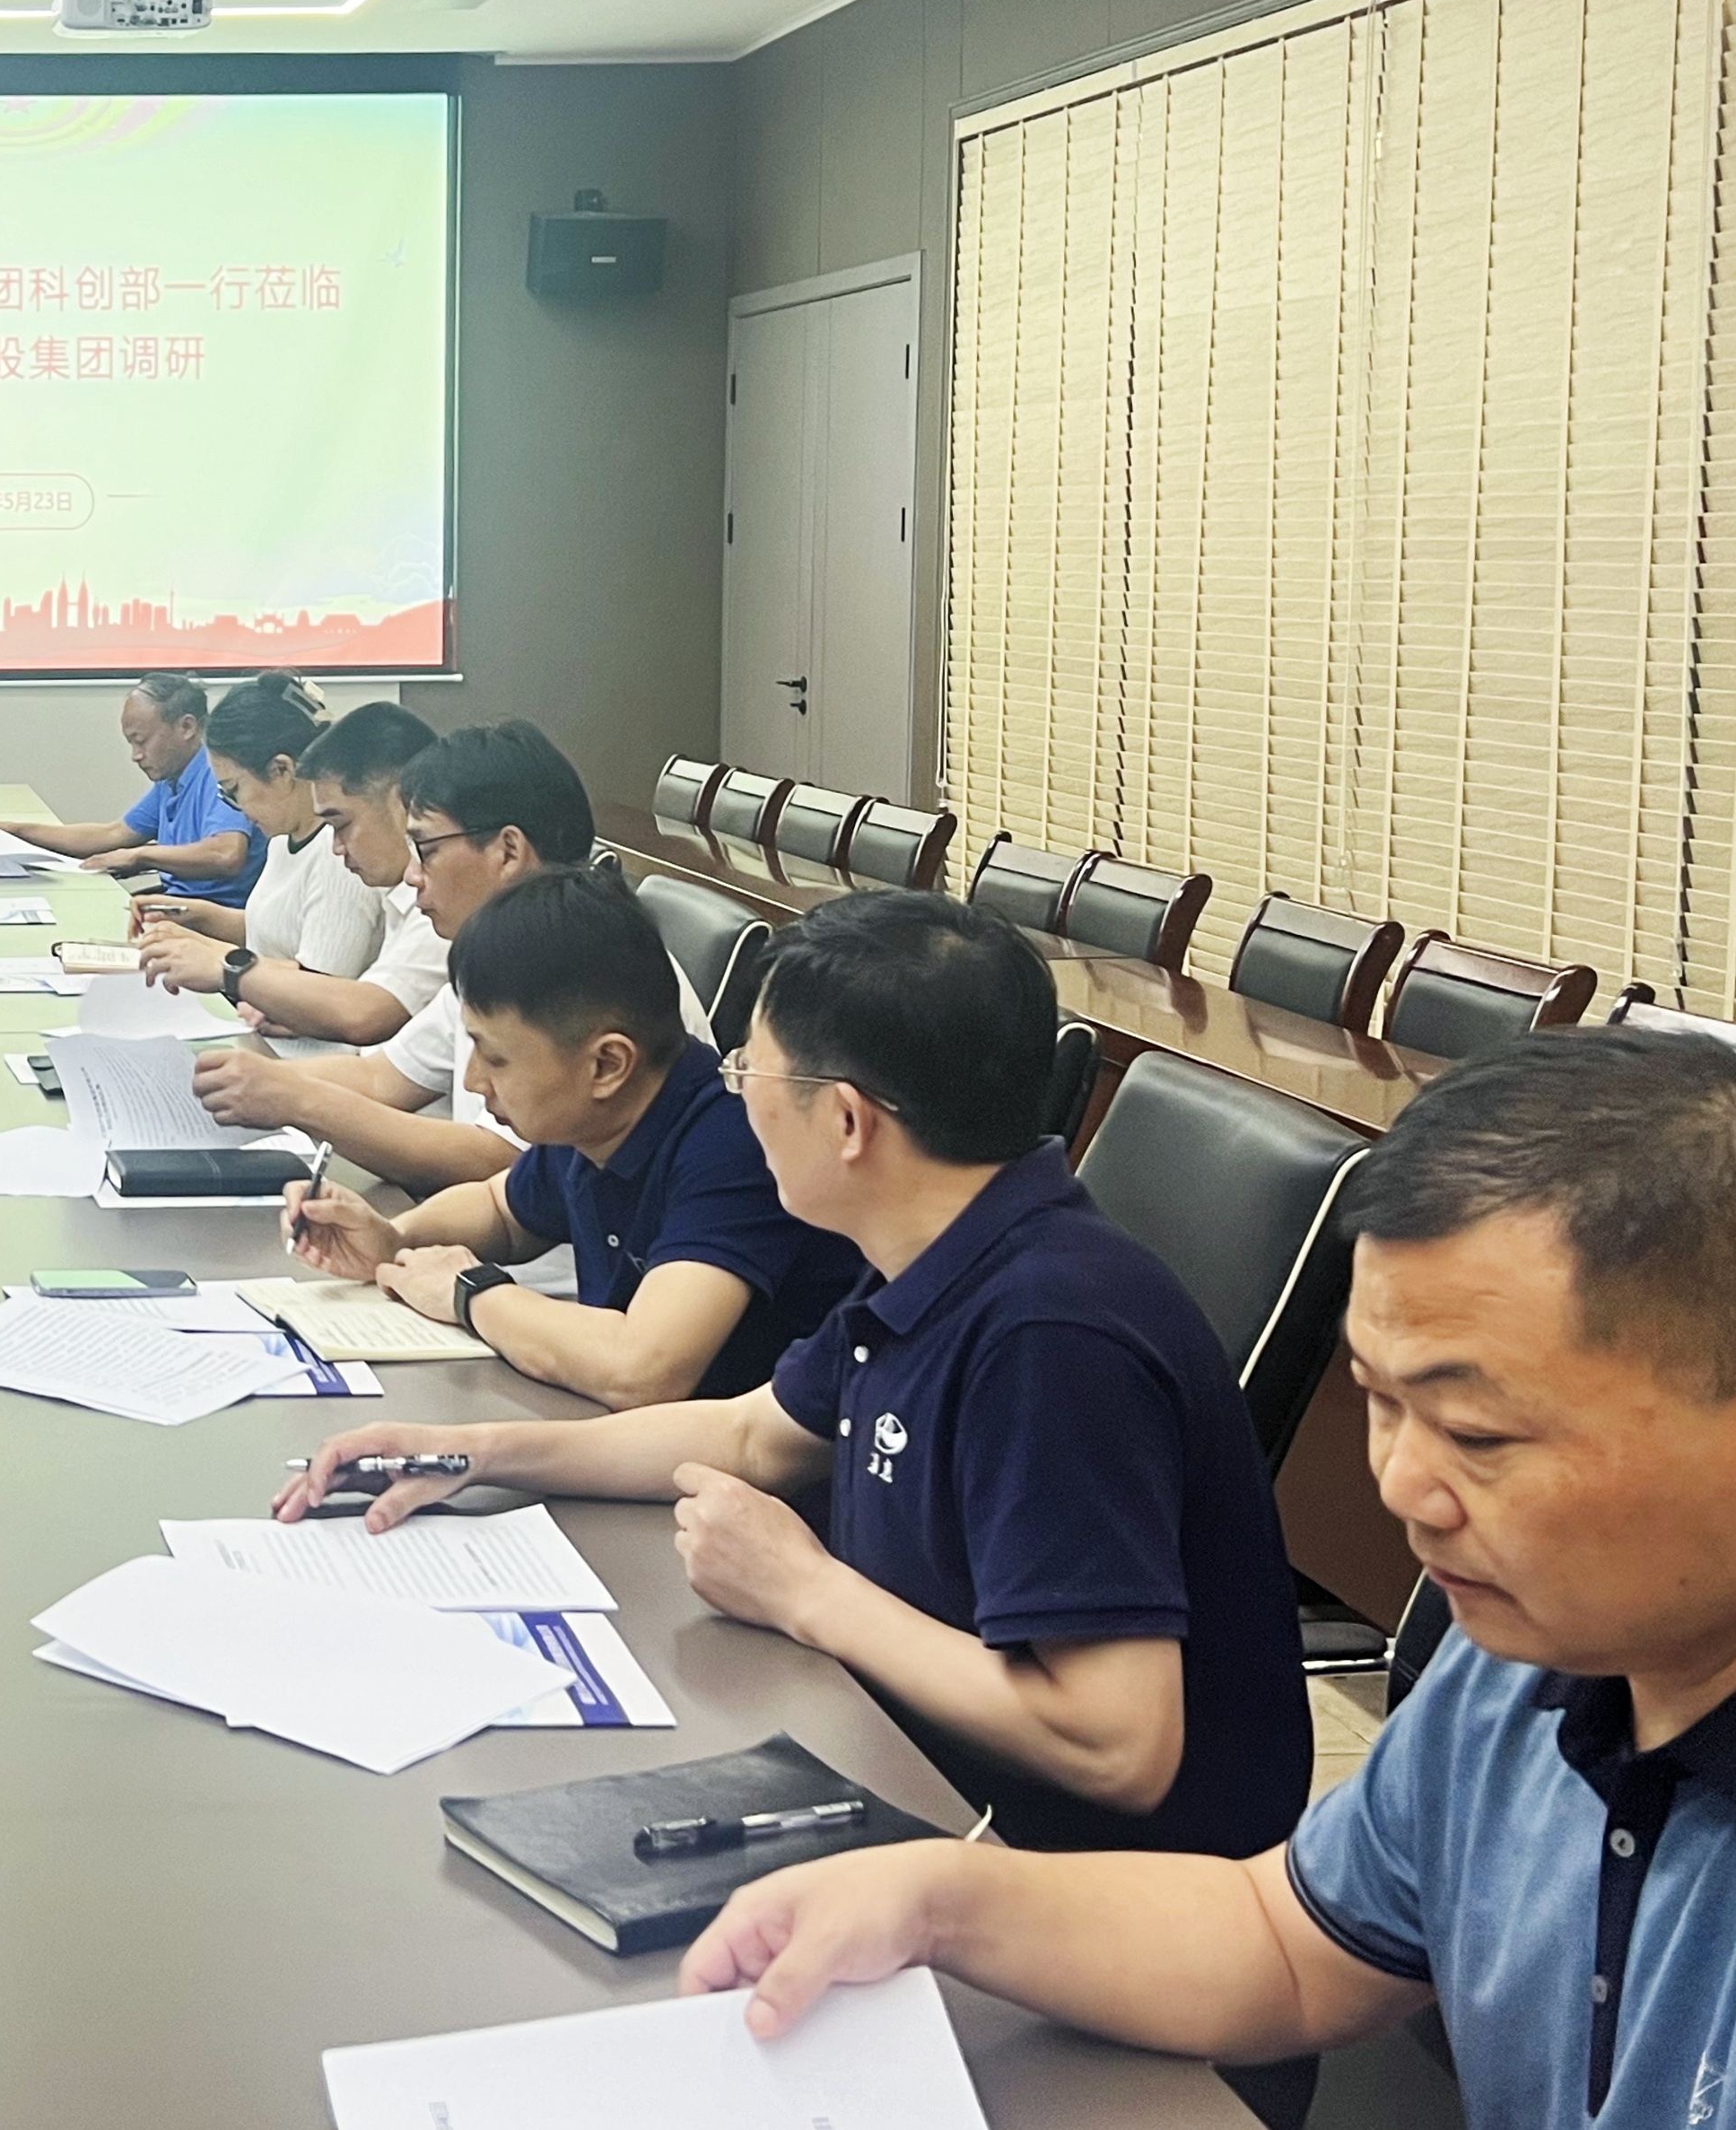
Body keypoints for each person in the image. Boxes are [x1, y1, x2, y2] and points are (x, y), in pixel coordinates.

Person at [673, 1027, 1736, 2130]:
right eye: (1379, 1400)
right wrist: (939, 1900)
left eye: (1475, 1432)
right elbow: (1283, 1944)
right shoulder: (1518, 1668)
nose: (1400, 1484)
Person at [278, 888, 1312, 1870]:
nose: (734, 1095)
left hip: (1077, 1885)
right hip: (911, 1774)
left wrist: (804, 1589)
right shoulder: (928, 1254)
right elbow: (747, 1434)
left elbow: (1118, 1744)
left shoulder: (1048, 1337)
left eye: (752, 1074)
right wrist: (478, 1452)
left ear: (847, 1122)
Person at [285, 868, 867, 1408]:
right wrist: (394, 1238)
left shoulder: (731, 1145)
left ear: (606, 1065)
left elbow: (644, 1368)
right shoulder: (593, 1123)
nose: (473, 1080)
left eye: (496, 1058)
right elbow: (501, 1211)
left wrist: (469, 1292)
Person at [193, 720, 657, 1194]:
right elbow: (382, 1078)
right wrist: (231, 1083)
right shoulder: (496, 949)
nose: (412, 875)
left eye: (427, 850)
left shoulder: (577, 962)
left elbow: (499, 1161)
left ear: (508, 852)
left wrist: (298, 1100)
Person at [138, 688, 441, 1043]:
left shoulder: (423, 901)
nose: (337, 846)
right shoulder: (288, 841)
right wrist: (196, 923)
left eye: (233, 791)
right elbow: (277, 935)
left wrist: (225, 965)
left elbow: (342, 1001)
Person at [0, 671, 261, 905]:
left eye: (141, 741)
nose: (136, 755)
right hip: (177, 903)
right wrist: (18, 831)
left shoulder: (217, 773)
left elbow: (226, 853)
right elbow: (114, 833)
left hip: (213, 915)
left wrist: (141, 856)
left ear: (187, 727)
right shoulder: (172, 779)